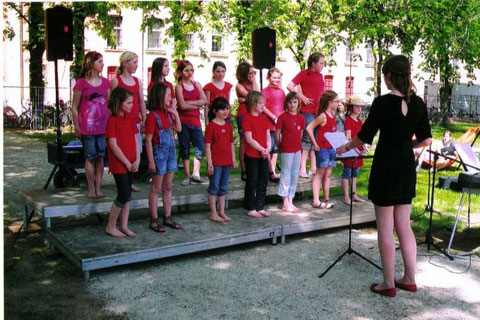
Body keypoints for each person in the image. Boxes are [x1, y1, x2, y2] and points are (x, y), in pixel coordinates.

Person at [337, 55, 432, 297]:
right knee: (404, 225)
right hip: (405, 166)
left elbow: (364, 136)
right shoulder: (419, 103)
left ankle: (388, 283)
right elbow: (426, 139)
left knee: (385, 226)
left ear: (389, 75)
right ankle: (410, 278)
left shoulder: (381, 103)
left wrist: (344, 147)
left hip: (385, 165)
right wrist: (405, 143)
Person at [72, 51, 110, 199]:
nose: (102, 64)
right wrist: (77, 126)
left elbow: (110, 104)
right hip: (87, 128)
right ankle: (91, 188)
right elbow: (75, 106)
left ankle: (99, 187)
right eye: (100, 61)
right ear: (91, 63)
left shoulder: (106, 82)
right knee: (90, 157)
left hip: (103, 127)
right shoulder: (81, 83)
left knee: (100, 157)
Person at [145, 83, 182, 232]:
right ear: (160, 97)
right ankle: (154, 219)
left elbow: (178, 129)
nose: (171, 97)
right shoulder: (152, 116)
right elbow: (148, 140)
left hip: (171, 153)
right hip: (159, 155)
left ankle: (167, 216)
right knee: (156, 188)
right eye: (168, 94)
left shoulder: (168, 113)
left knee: (168, 186)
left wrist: (175, 113)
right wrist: (151, 160)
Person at [104, 87, 140, 238]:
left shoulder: (129, 118)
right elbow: (113, 145)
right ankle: (111, 225)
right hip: (120, 164)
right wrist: (126, 162)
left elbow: (135, 139)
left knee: (128, 196)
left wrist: (137, 158)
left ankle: (124, 225)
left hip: (131, 162)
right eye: (129, 102)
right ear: (119, 103)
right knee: (123, 194)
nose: (132, 105)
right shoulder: (112, 121)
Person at [111, 51, 146, 193]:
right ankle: (123, 179)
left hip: (134, 121)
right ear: (126, 63)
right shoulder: (116, 81)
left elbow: (141, 101)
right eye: (135, 62)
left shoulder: (137, 81)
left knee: (136, 149)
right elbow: (113, 102)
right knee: (123, 149)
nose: (137, 65)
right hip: (121, 123)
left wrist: (144, 118)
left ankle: (130, 179)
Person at [287, 52, 325, 178]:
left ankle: (313, 167)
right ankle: (302, 167)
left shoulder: (320, 76)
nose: (322, 65)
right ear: (313, 63)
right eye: (321, 63)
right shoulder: (304, 73)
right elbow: (290, 85)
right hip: (308, 111)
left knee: (315, 138)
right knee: (307, 139)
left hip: (318, 111)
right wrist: (301, 96)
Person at [204, 97, 238, 223]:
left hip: (226, 162)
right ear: (215, 110)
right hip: (216, 163)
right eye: (222, 109)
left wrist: (233, 160)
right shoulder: (211, 126)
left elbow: (231, 144)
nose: (225, 111)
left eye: (227, 109)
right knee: (214, 187)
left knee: (223, 187)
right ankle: (213, 213)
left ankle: (222, 211)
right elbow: (207, 146)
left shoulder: (228, 127)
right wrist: (210, 164)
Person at [175, 60, 208, 186]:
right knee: (185, 148)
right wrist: (196, 103)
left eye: (191, 70)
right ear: (180, 72)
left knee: (200, 147)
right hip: (183, 121)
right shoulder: (179, 87)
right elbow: (182, 106)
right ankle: (187, 175)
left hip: (195, 122)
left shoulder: (197, 84)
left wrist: (191, 103)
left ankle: (196, 173)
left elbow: (204, 100)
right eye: (186, 70)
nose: (189, 73)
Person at [306, 90, 339, 209]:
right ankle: (316, 200)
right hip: (323, 149)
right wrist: (314, 143)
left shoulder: (333, 115)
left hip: (331, 149)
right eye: (336, 101)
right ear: (330, 102)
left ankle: (327, 198)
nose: (338, 103)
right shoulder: (323, 115)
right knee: (319, 174)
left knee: (328, 174)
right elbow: (309, 128)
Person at [242, 91, 271, 218]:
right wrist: (261, 149)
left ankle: (260, 206)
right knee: (252, 181)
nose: (262, 106)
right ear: (253, 104)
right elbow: (249, 139)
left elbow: (268, 135)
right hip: (252, 155)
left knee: (263, 180)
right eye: (260, 103)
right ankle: (251, 207)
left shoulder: (264, 118)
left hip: (263, 155)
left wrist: (268, 149)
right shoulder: (247, 119)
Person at [275, 92, 305, 213]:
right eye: (290, 102)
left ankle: (290, 199)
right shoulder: (282, 117)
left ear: (298, 103)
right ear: (286, 103)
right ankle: (284, 201)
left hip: (297, 149)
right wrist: (280, 146)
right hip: (286, 149)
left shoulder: (301, 118)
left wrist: (299, 147)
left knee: (294, 175)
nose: (292, 105)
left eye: (295, 102)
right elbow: (277, 134)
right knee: (286, 174)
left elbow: (301, 134)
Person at [235, 62, 260, 181]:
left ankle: (252, 168)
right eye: (250, 73)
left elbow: (257, 97)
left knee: (254, 141)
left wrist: (254, 82)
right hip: (243, 115)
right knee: (244, 143)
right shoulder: (239, 85)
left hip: (254, 115)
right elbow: (252, 97)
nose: (252, 75)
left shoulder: (254, 84)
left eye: (253, 73)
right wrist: (246, 100)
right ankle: (244, 169)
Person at [341, 94, 367, 205]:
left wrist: (364, 146)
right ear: (351, 107)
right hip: (351, 150)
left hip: (358, 149)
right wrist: (355, 149)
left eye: (360, 107)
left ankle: (354, 193)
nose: (359, 109)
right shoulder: (348, 121)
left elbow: (362, 136)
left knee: (355, 173)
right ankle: (346, 196)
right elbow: (348, 137)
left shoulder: (359, 121)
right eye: (356, 106)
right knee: (347, 172)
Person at [262, 67, 285, 182]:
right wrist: (273, 117)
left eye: (278, 78)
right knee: (269, 147)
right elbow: (262, 106)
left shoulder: (281, 92)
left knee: (276, 149)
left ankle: (272, 172)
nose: (276, 80)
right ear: (269, 78)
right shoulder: (265, 91)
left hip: (279, 126)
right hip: (268, 124)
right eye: (274, 77)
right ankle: (268, 171)